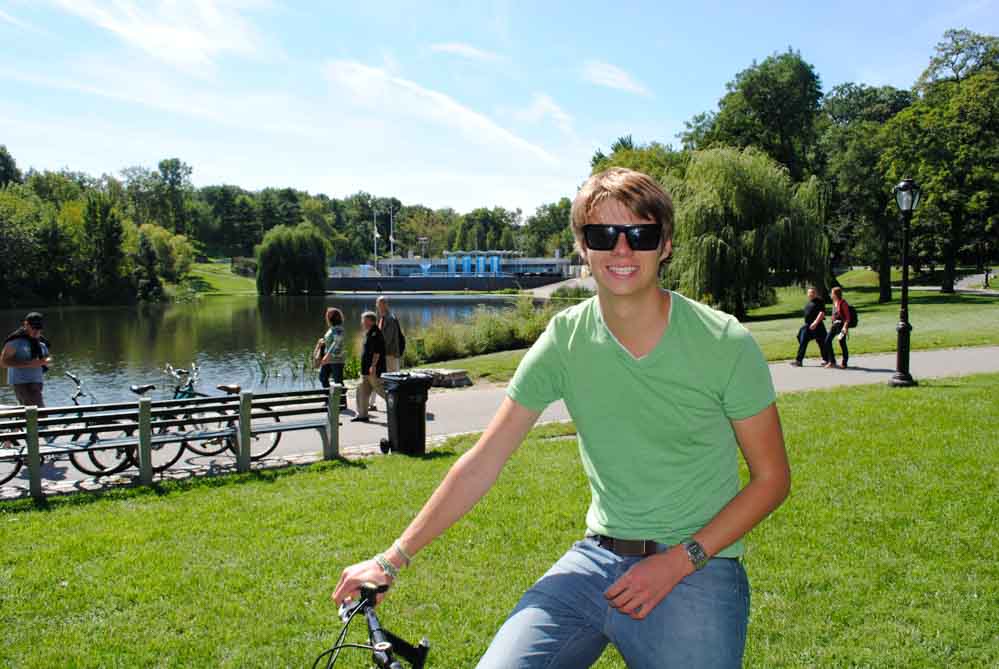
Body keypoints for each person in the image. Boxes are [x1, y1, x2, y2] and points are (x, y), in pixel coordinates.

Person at [333, 168, 791, 668]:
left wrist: (678, 562)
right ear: (581, 246)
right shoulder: (565, 339)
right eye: (602, 235)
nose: (621, 250)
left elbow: (771, 479)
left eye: (640, 234)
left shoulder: (723, 343)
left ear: (665, 246)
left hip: (699, 565)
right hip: (596, 559)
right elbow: (484, 461)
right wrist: (390, 560)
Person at [1, 312, 51, 408]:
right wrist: (30, 364)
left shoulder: (41, 341)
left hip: (36, 380)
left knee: (39, 411)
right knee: (33, 410)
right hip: (21, 381)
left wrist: (46, 361)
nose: (36, 330)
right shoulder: (15, 341)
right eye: (33, 327)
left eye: (39, 327)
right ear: (26, 324)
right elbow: (3, 362)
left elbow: (47, 357)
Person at [350, 311, 386, 423]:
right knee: (361, 391)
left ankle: (400, 407)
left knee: (382, 391)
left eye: (364, 320)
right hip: (365, 370)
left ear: (370, 321)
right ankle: (362, 415)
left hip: (373, 370)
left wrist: (373, 366)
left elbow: (377, 352)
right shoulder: (369, 332)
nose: (362, 322)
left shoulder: (376, 333)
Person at [317, 307, 348, 409]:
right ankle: (329, 399)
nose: (326, 316)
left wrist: (328, 355)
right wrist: (323, 341)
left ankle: (342, 403)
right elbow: (331, 341)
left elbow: (337, 342)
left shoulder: (338, 328)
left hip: (336, 359)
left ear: (333, 317)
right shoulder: (331, 329)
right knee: (322, 377)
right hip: (328, 359)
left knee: (338, 381)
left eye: (328, 314)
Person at [790, 286, 829, 367]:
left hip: (818, 326)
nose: (811, 294)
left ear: (816, 293)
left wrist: (815, 322)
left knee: (822, 343)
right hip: (808, 326)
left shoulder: (819, 301)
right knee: (802, 341)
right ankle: (799, 361)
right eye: (810, 292)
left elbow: (822, 313)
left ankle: (826, 360)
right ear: (807, 294)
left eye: (813, 292)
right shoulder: (809, 302)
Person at [824, 287, 851, 369]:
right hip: (834, 326)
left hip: (842, 326)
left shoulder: (843, 303)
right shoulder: (834, 302)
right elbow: (834, 316)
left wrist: (845, 328)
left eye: (831, 293)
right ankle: (832, 361)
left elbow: (847, 317)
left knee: (842, 343)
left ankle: (844, 363)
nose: (830, 294)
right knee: (827, 341)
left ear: (835, 294)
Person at [376, 296, 403, 373]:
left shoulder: (390, 319)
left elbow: (387, 339)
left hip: (391, 354)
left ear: (386, 305)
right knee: (388, 377)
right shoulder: (383, 318)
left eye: (382, 304)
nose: (380, 307)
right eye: (379, 304)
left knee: (392, 376)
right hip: (386, 354)